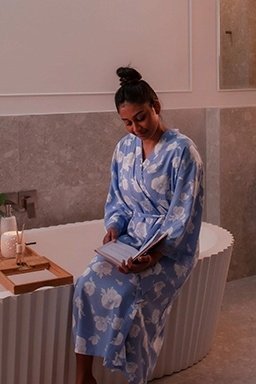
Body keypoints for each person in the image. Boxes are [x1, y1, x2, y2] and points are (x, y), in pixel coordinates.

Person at [72, 67, 204, 384]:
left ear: (156, 105)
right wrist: (114, 228)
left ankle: (135, 377)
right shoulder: (124, 149)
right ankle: (84, 377)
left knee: (129, 294)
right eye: (127, 122)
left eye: (141, 118)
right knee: (86, 282)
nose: (135, 128)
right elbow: (118, 199)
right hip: (130, 240)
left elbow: (185, 214)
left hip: (170, 249)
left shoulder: (183, 151)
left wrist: (154, 256)